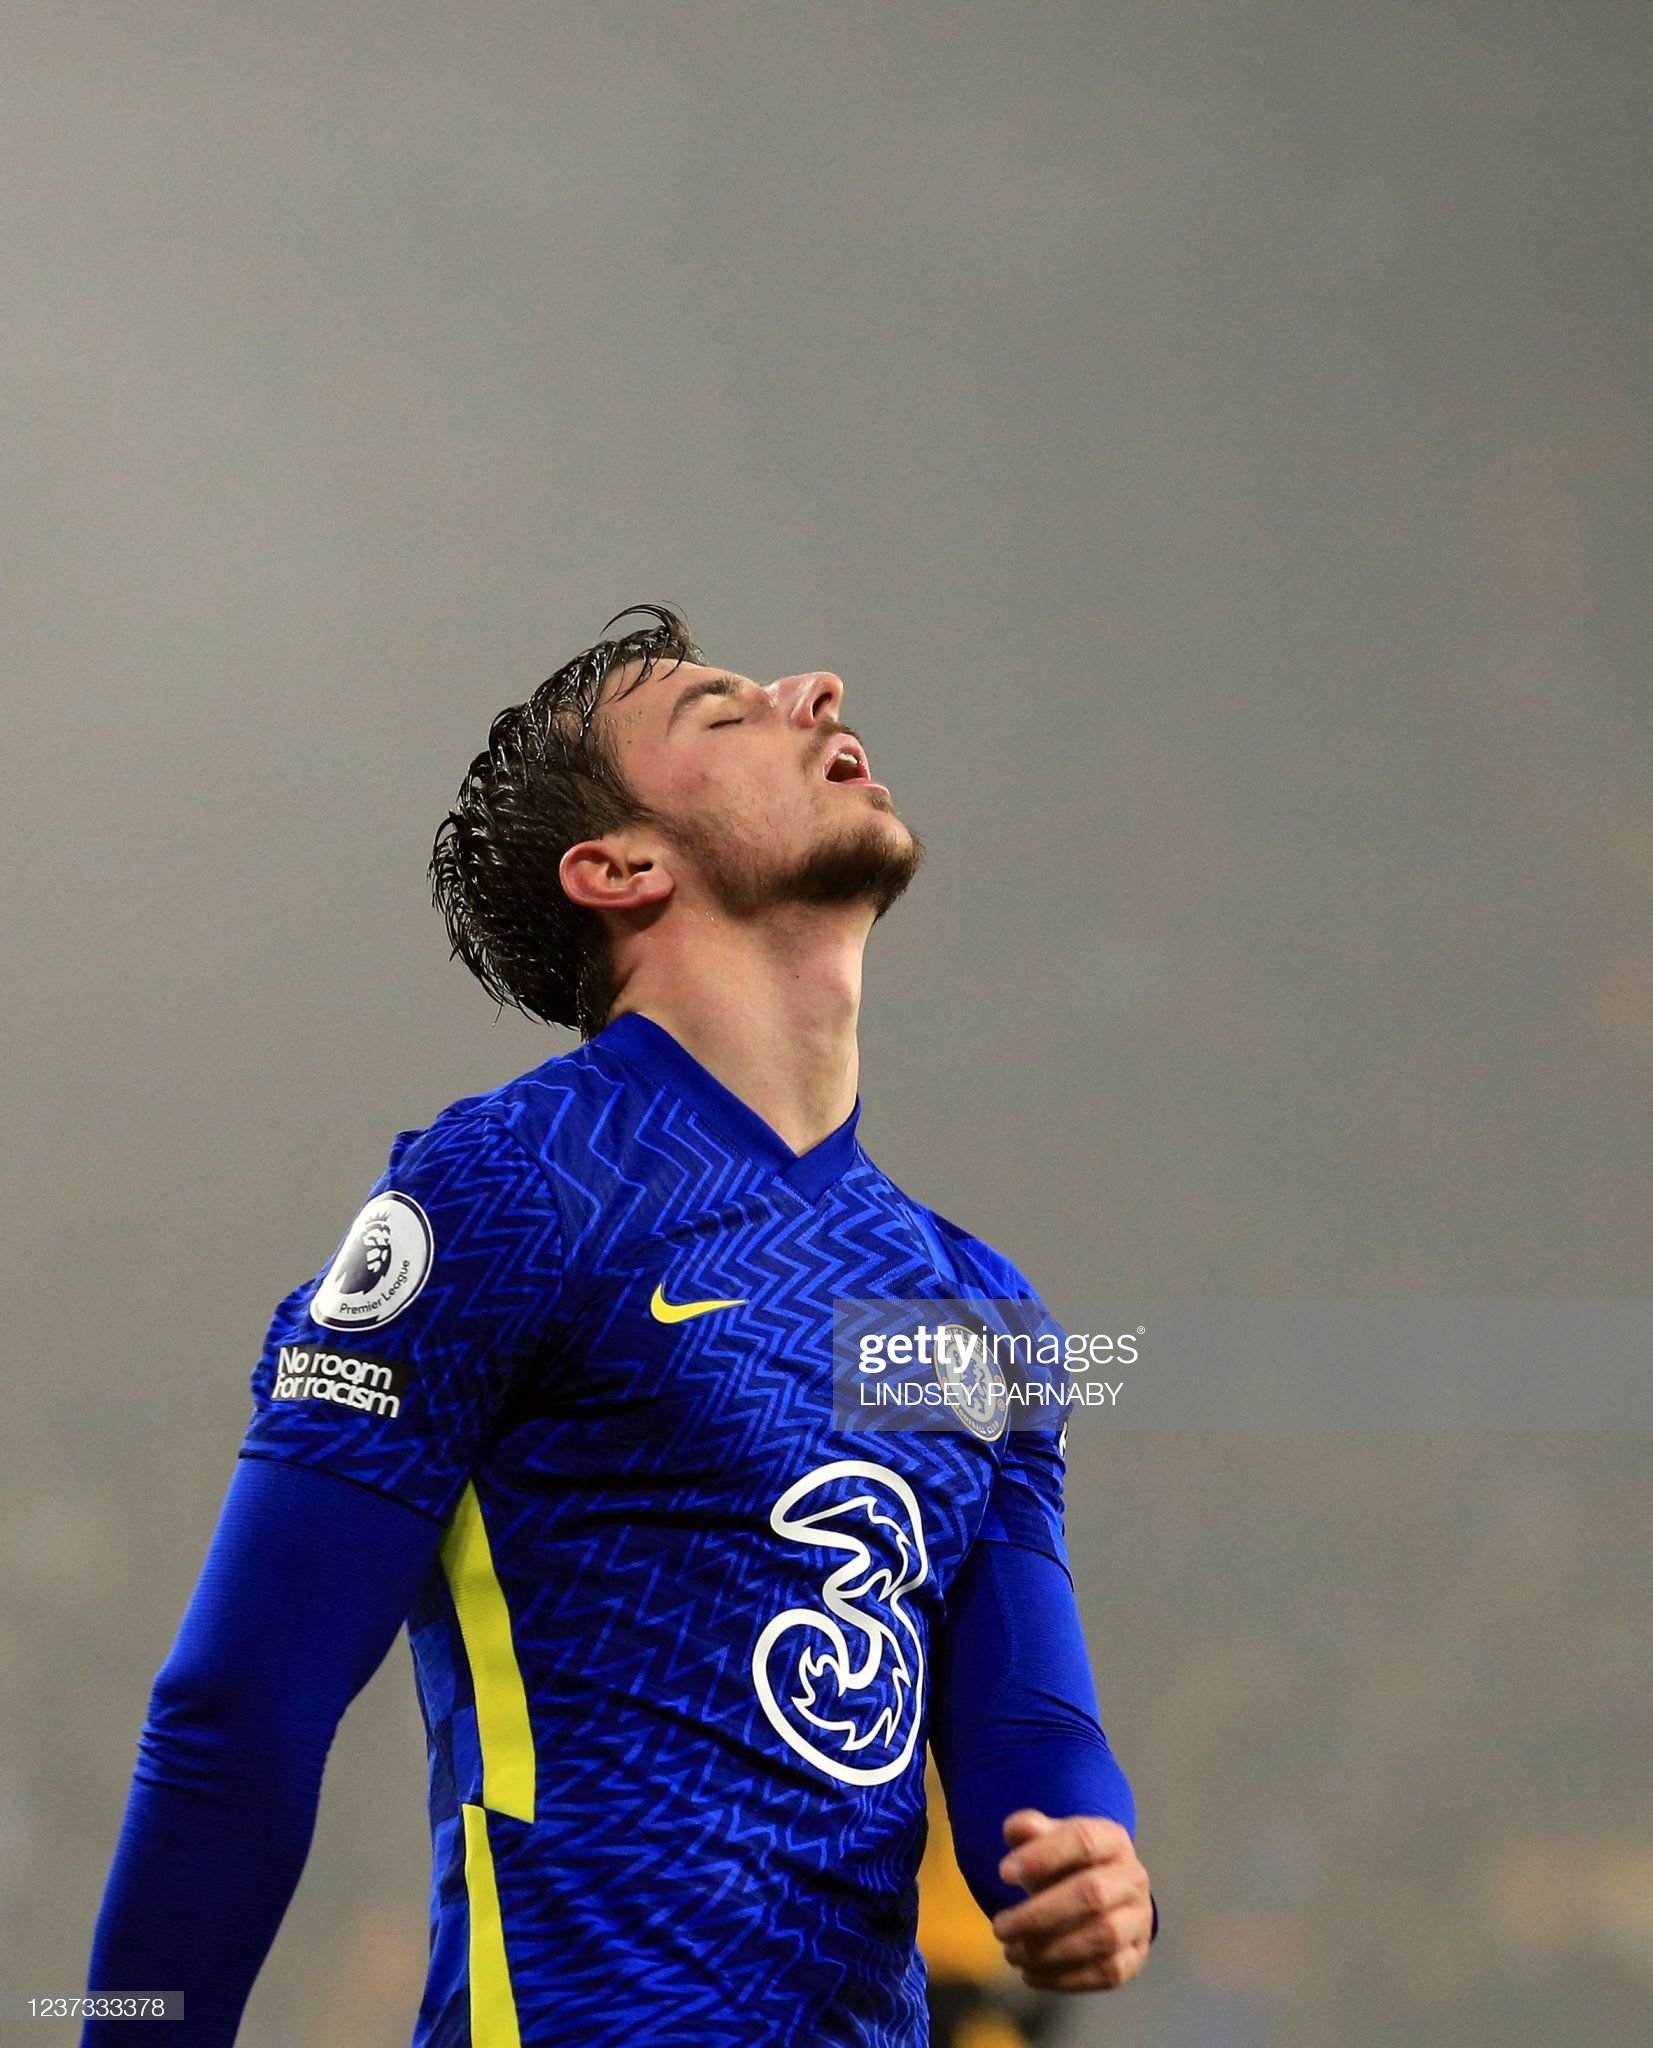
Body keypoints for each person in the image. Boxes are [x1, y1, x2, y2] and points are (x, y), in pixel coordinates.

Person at [81, 604, 1155, 2045]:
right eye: (723, 713)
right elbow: (236, 1715)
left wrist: (1085, 1857)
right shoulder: (512, 1191)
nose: (815, 689)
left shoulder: (975, 1309)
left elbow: (1030, 1734)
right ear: (620, 867)